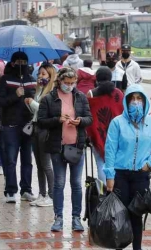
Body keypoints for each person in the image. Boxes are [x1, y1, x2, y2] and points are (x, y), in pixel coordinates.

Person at [104, 84, 151, 250]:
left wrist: (150, 163)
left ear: (145, 101)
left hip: (141, 175)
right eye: (133, 99)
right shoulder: (117, 122)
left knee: (137, 214)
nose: (136, 102)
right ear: (127, 101)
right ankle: (119, 246)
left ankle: (137, 247)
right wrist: (109, 176)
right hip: (120, 175)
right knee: (120, 214)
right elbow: (110, 149)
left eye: (139, 98)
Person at [38, 67, 92, 232]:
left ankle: (76, 218)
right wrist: (57, 120)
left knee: (76, 183)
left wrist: (80, 120)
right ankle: (58, 217)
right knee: (59, 183)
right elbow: (41, 121)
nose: (69, 86)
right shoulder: (49, 98)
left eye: (72, 83)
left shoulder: (81, 97)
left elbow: (89, 118)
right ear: (59, 81)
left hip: (76, 146)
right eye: (66, 83)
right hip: (57, 147)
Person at [0, 52, 36, 203]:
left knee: (27, 160)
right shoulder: (5, 80)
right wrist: (16, 95)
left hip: (28, 126)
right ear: (12, 63)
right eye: (18, 61)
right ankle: (10, 191)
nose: (21, 64)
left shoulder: (31, 80)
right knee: (10, 159)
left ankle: (26, 189)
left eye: (24, 61)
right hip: (10, 125)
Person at [24, 62, 57, 207]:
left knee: (46, 164)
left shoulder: (52, 92)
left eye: (43, 74)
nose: (40, 77)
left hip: (45, 130)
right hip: (35, 128)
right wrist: (28, 102)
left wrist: (32, 103)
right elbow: (35, 112)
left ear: (50, 76)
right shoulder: (39, 90)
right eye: (39, 74)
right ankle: (41, 193)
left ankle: (51, 195)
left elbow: (44, 110)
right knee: (38, 164)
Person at [86, 66, 124, 183]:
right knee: (116, 162)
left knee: (101, 163)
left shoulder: (91, 94)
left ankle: (104, 192)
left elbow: (88, 113)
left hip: (98, 133)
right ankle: (116, 189)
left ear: (96, 78)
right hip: (116, 134)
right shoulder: (118, 93)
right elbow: (122, 111)